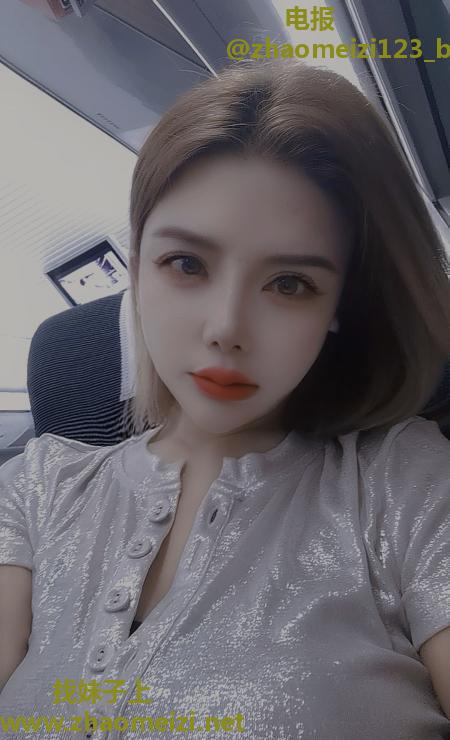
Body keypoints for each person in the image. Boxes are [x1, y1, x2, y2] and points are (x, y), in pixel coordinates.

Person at [0, 59, 449, 739]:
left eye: (290, 284)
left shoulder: (404, 484)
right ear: (138, 269)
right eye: (187, 264)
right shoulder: (38, 488)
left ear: (339, 306)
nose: (226, 328)